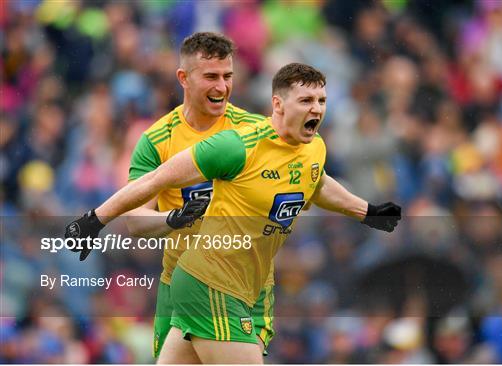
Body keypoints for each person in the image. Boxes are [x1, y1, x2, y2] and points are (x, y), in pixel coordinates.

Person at [66, 63, 401, 364]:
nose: (316, 109)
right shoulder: (236, 147)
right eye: (306, 101)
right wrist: (95, 220)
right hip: (210, 281)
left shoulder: (314, 148)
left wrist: (367, 212)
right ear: (278, 105)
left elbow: (318, 183)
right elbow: (157, 178)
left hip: (251, 290)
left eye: (321, 102)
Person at [70, 32, 277, 362]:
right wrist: (174, 219)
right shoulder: (156, 140)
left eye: (227, 76)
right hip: (180, 284)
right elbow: (136, 221)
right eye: (211, 76)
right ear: (184, 78)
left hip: (239, 283)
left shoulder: (253, 132)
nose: (222, 87)